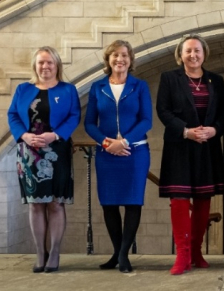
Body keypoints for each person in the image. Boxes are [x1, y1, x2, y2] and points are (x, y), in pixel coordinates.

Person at [157, 34, 224, 274]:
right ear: (180, 55)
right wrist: (186, 132)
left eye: (197, 51)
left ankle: (197, 252)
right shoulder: (169, 78)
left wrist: (214, 129)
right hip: (180, 146)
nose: (193, 55)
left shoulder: (215, 80)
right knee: (179, 201)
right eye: (188, 51)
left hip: (207, 147)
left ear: (204, 54)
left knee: (203, 200)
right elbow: (163, 111)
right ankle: (183, 254)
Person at [7, 46, 80, 273]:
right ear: (35, 66)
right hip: (29, 153)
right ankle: (40, 252)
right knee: (36, 204)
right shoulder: (23, 89)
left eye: (49, 62)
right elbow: (13, 115)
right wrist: (24, 135)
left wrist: (55, 135)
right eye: (41, 63)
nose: (45, 66)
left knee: (55, 203)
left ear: (57, 65)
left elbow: (74, 115)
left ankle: (55, 251)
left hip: (57, 150)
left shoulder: (68, 90)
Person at [84, 40, 152, 273]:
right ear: (108, 60)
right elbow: (90, 123)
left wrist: (124, 142)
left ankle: (124, 255)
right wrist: (106, 143)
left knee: (133, 202)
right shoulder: (97, 87)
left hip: (135, 151)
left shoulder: (139, 86)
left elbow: (146, 120)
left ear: (130, 60)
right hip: (106, 153)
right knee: (109, 204)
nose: (119, 59)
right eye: (115, 55)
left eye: (124, 55)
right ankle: (116, 252)